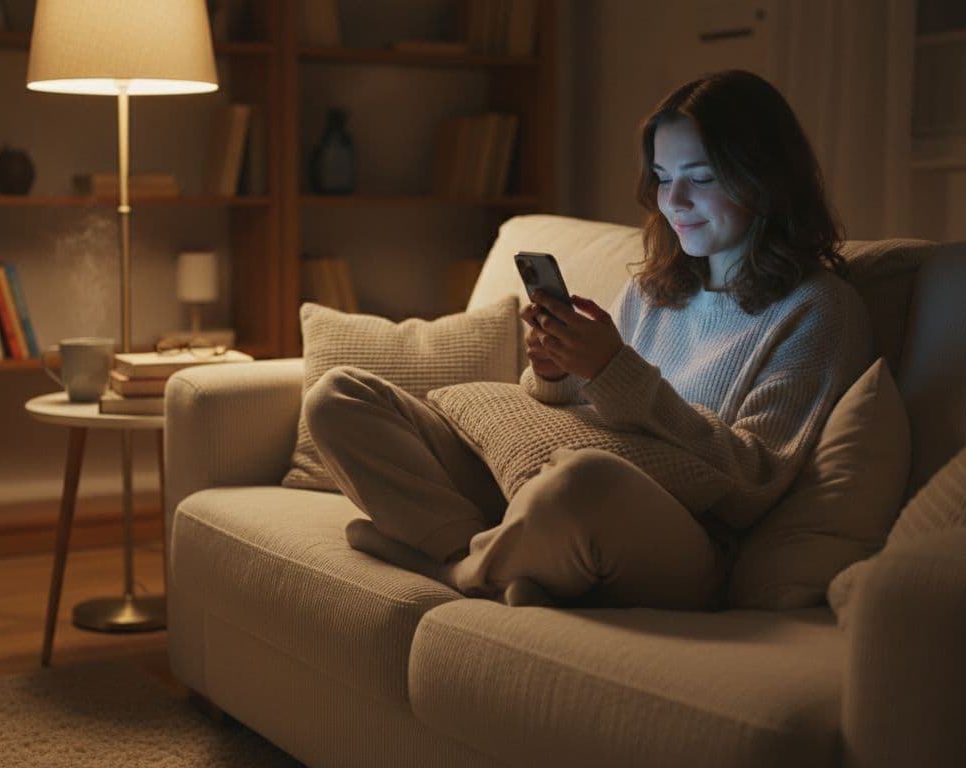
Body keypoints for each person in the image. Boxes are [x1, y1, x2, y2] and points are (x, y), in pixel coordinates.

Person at [303, 70, 872, 610]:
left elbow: (753, 481)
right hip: (553, 493)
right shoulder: (656, 289)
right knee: (339, 396)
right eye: (663, 178)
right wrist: (555, 373)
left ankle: (451, 570)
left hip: (681, 536)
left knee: (585, 478)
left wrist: (614, 371)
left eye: (701, 178)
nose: (674, 202)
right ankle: (496, 553)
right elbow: (582, 408)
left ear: (765, 181)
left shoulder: (818, 309)